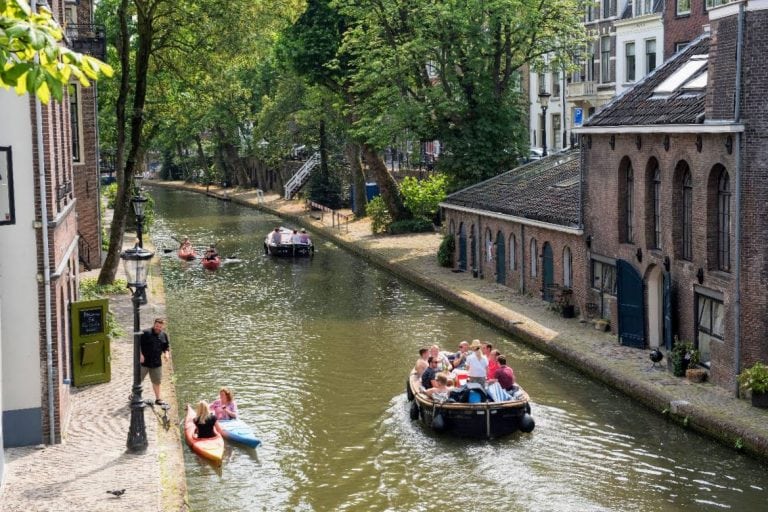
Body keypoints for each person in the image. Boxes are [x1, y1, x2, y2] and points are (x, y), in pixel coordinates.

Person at [139, 318, 170, 406]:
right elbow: (138, 345)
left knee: (157, 381)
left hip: (156, 363)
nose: (158, 328)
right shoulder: (145, 333)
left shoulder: (164, 335)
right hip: (144, 362)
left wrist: (166, 354)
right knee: (138, 380)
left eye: (160, 327)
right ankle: (134, 395)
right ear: (154, 324)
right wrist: (140, 355)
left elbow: (166, 347)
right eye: (157, 326)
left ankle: (158, 399)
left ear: (162, 327)